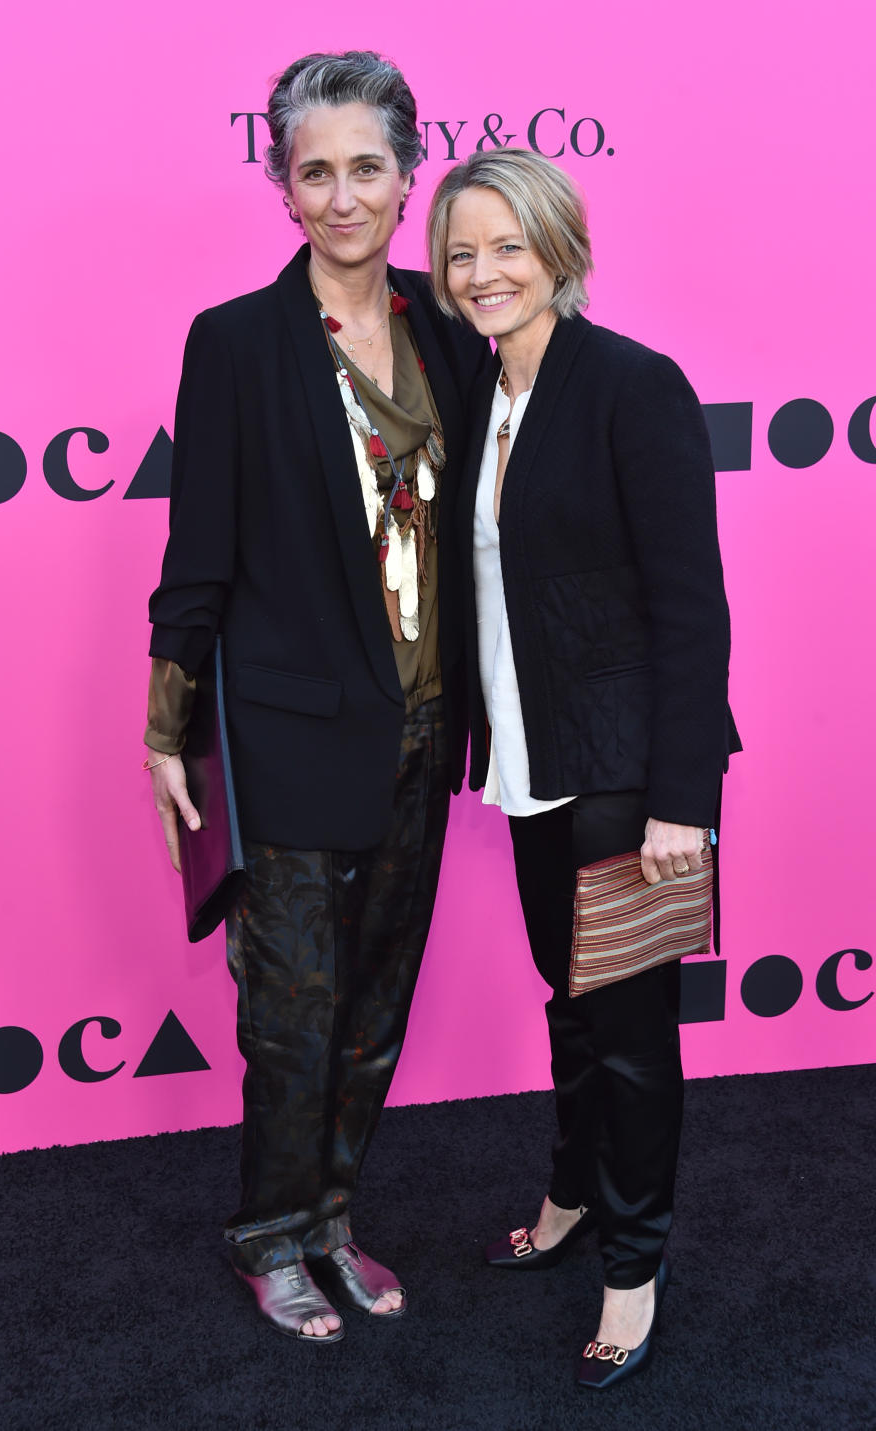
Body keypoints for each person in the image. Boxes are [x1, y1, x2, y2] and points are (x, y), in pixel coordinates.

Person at [144, 52, 486, 1343]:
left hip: (419, 721)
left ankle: (334, 1215)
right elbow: (200, 555)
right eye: (314, 171)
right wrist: (167, 722)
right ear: (282, 188)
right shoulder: (235, 343)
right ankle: (269, 1235)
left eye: (366, 168)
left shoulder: (449, 335)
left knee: (374, 1001)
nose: (342, 195)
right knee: (290, 1009)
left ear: (409, 177)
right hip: (288, 734)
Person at [427, 150, 739, 1388]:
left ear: (560, 246)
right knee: (570, 1000)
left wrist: (683, 804)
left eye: (508, 244)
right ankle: (567, 1196)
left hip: (626, 779)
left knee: (630, 1034)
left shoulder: (632, 385)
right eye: (462, 253)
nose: (484, 271)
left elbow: (690, 609)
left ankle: (634, 1263)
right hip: (529, 757)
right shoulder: (480, 391)